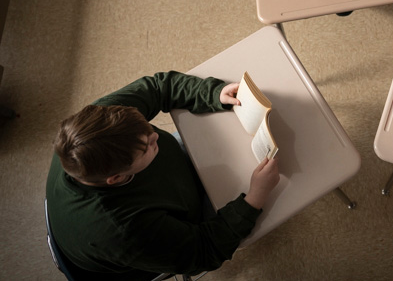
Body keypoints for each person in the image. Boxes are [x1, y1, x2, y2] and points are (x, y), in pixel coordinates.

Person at [46, 71, 280, 277]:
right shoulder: (125, 230)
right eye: (146, 146)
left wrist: (211, 93)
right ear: (116, 178)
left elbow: (158, 88)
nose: (156, 135)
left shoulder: (95, 126)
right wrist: (254, 199)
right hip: (161, 235)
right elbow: (204, 251)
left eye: (147, 128)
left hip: (170, 188)